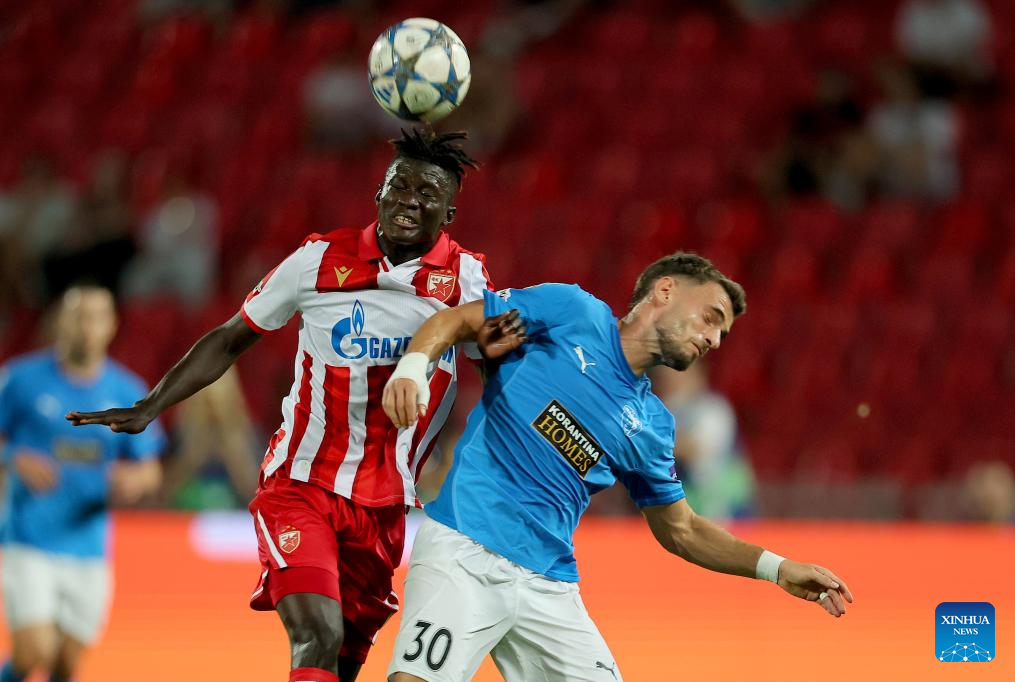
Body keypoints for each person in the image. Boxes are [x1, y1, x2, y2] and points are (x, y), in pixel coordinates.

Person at [67, 129, 509, 682]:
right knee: (317, 635)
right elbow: (231, 337)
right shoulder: (316, 261)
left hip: (385, 507)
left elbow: (494, 373)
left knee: (340, 662)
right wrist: (151, 405)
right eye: (400, 186)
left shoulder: (465, 279)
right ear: (379, 192)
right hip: (301, 484)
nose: (409, 201)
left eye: (427, 193)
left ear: (449, 214)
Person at [383, 253, 854, 681]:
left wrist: (777, 569)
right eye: (711, 317)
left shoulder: (652, 427)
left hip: (548, 585)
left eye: (721, 335)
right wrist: (411, 370)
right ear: (665, 290)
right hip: (464, 550)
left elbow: (682, 530)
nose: (713, 339)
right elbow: (456, 320)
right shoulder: (572, 311)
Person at [0, 285, 164, 682]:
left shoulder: (127, 393)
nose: (86, 327)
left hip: (89, 548)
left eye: (95, 317)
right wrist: (13, 456)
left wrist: (135, 479)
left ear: (111, 326)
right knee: (33, 650)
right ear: (61, 322)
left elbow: (151, 469)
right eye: (77, 316)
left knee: (66, 664)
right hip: (28, 539)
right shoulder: (20, 379)